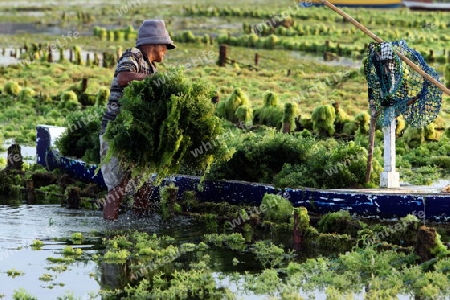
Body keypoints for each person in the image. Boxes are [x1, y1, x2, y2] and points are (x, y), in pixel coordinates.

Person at [99, 20, 176, 220]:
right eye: (165, 47)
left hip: (136, 135)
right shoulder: (133, 55)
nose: (165, 52)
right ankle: (110, 235)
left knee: (142, 187)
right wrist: (153, 81)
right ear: (155, 43)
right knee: (118, 189)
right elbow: (124, 77)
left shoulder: (152, 69)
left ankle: (139, 228)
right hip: (116, 133)